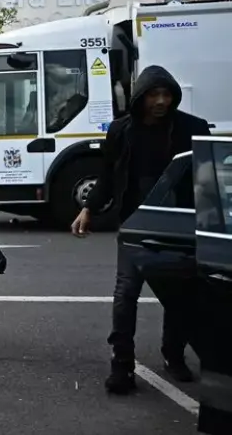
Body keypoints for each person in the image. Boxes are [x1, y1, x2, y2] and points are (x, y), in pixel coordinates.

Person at [71, 64, 212, 395]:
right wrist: (88, 208)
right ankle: (122, 364)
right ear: (140, 97)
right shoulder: (122, 130)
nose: (161, 101)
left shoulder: (193, 128)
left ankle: (173, 354)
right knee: (125, 295)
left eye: (166, 95)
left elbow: (207, 179)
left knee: (178, 297)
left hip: (177, 226)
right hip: (134, 226)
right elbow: (108, 175)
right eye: (153, 95)